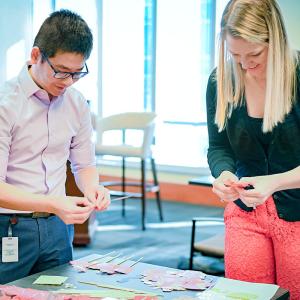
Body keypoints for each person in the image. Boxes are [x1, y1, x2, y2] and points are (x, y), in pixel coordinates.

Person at [0, 9, 110, 283]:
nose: (68, 82)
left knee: (58, 292)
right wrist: (53, 202)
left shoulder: (76, 103)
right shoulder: (6, 104)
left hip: (59, 228)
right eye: (61, 72)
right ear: (36, 56)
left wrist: (93, 188)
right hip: (10, 227)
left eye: (77, 73)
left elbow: (84, 165)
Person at [206, 0, 300, 298]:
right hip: (245, 213)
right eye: (235, 55)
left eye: (255, 54)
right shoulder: (220, 81)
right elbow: (218, 147)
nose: (245, 64)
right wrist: (223, 174)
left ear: (276, 39)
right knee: (245, 295)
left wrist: (275, 182)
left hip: (296, 213)